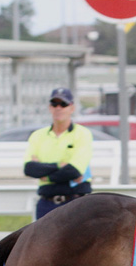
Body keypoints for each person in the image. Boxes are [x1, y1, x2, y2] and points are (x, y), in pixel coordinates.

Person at [24, 88, 93, 219]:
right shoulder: (38, 136)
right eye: (54, 104)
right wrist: (59, 165)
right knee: (40, 239)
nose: (58, 108)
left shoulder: (82, 134)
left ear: (72, 108)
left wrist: (46, 176)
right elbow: (29, 168)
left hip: (75, 202)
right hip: (46, 203)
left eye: (63, 104)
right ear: (50, 107)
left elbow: (74, 171)